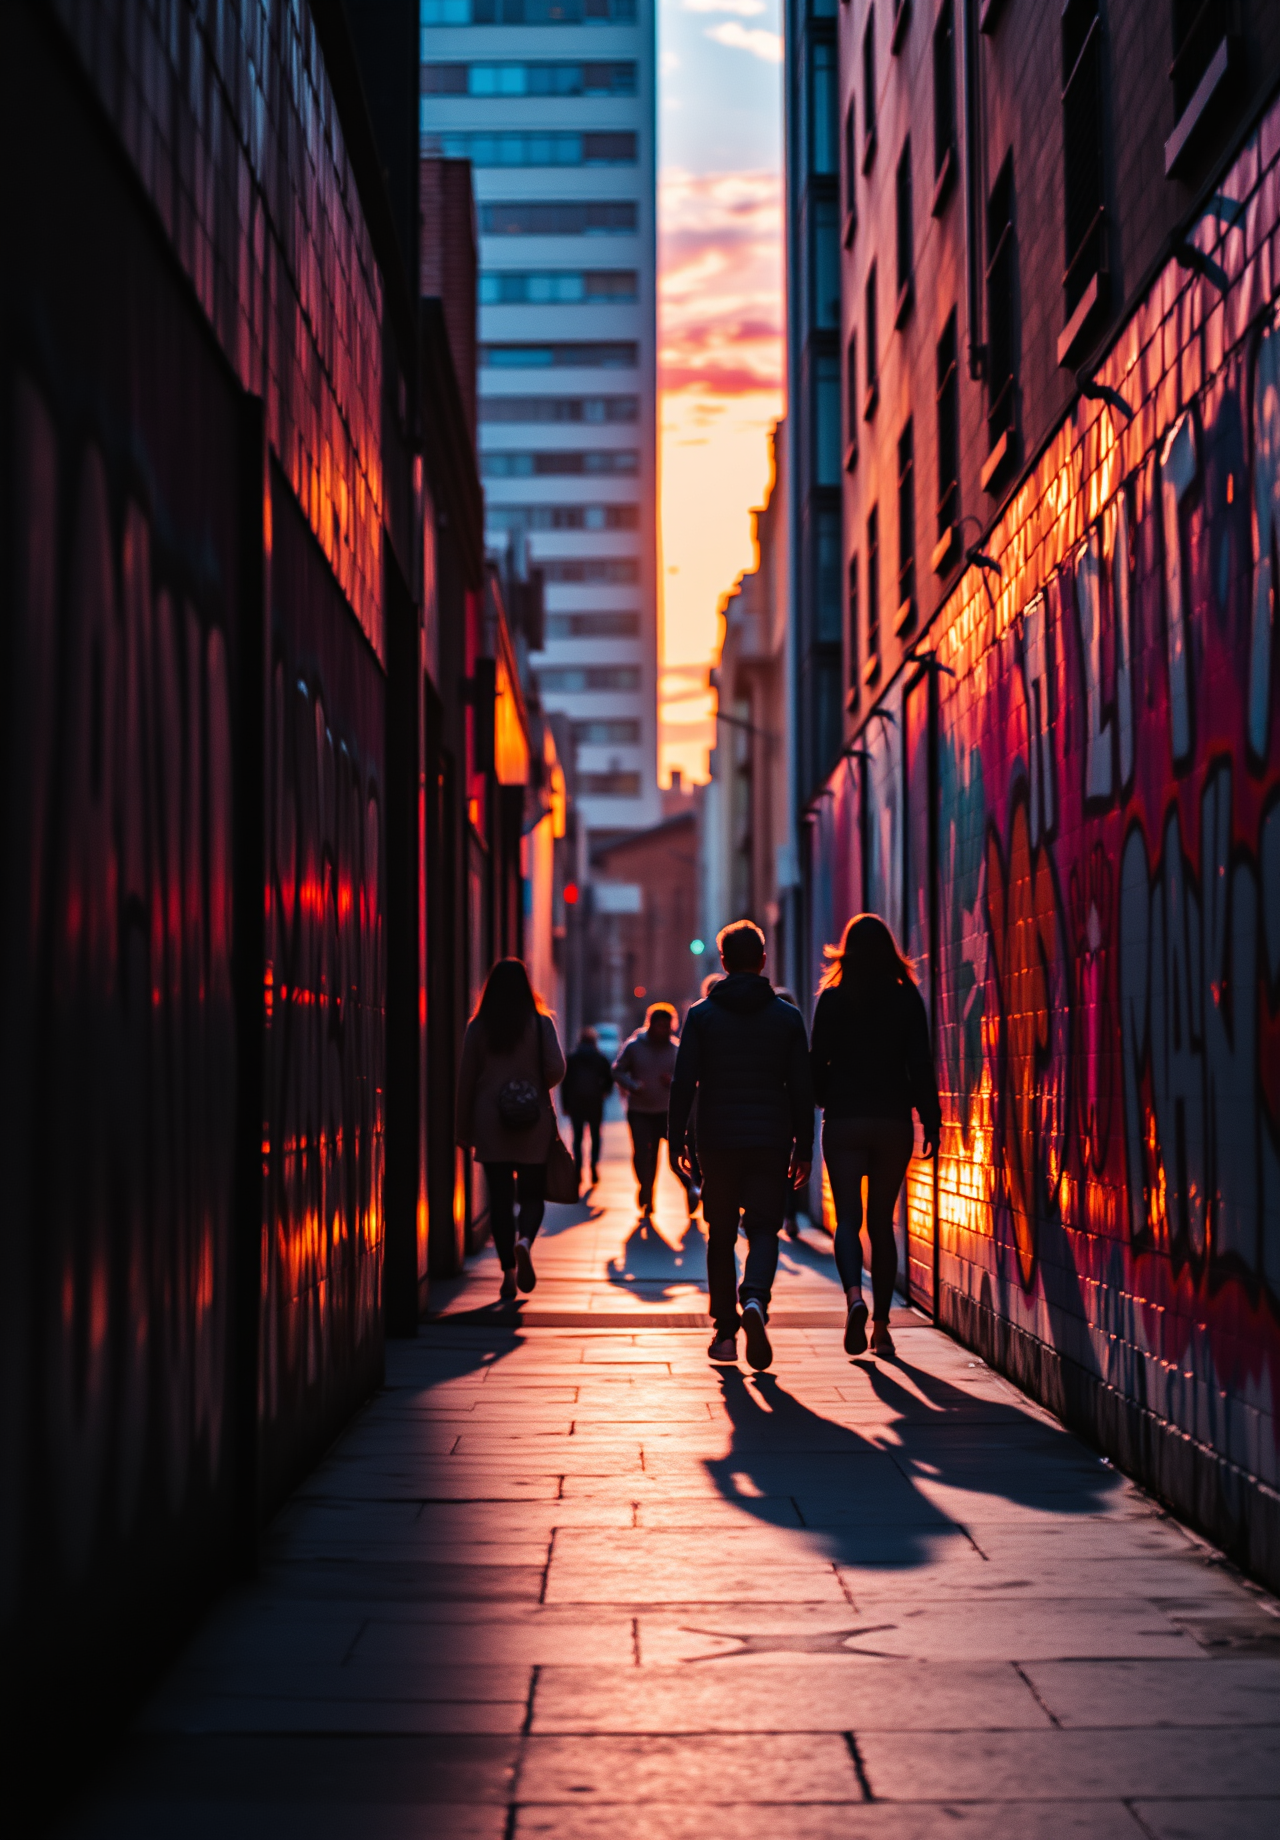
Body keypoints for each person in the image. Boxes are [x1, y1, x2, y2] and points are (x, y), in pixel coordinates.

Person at [669, 920, 814, 1371]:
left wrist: (677, 1140)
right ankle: (754, 1299)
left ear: (725, 962)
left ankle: (725, 1332)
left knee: (721, 1234)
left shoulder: (701, 1015)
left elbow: (683, 1083)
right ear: (764, 961)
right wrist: (804, 1147)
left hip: (717, 1139)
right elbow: (801, 1088)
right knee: (765, 1229)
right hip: (770, 1140)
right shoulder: (787, 1018)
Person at [809, 914, 941, 1359]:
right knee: (881, 1224)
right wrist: (931, 1118)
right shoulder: (907, 1000)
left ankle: (853, 1298)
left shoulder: (832, 999)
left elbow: (816, 1064)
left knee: (847, 1220)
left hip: (844, 1119)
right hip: (891, 1121)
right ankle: (882, 1329)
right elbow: (920, 1064)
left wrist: (825, 1099)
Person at [456, 958, 566, 1301]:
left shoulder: (478, 1027)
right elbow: (557, 1069)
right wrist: (532, 1087)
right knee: (532, 1193)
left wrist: (463, 1128)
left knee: (500, 1200)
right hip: (531, 1118)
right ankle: (525, 1241)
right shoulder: (541, 1023)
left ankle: (507, 1273)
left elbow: (466, 1081)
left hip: (491, 1120)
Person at [614, 1003, 683, 1216]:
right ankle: (646, 1189)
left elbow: (686, 1078)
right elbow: (617, 1070)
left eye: (666, 1026)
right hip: (640, 1110)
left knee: (673, 1155)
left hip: (666, 1112)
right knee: (643, 1154)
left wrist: (672, 1081)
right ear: (650, 1024)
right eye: (659, 1025)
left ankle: (690, 1188)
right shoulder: (634, 1046)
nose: (663, 1030)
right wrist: (633, 1085)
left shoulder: (676, 1049)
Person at [560, 1026, 614, 1186]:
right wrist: (604, 1092)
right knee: (596, 1135)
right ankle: (594, 1165)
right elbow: (609, 1079)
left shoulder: (572, 1057)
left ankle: (578, 1169)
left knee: (577, 1137)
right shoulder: (600, 1057)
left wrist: (565, 1104)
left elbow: (565, 1083)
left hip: (576, 1102)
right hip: (594, 1101)